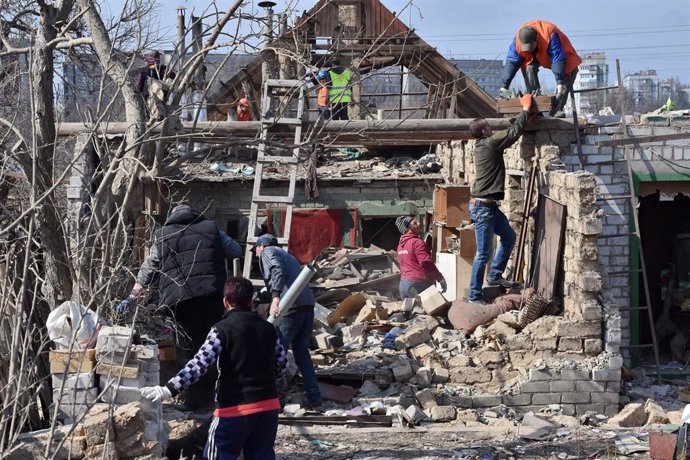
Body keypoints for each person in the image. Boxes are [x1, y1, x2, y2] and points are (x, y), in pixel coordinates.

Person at [140, 276, 288, 460]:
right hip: (267, 408)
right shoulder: (269, 329)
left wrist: (167, 389)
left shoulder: (221, 330)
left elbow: (199, 365)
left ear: (225, 302)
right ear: (251, 301)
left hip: (234, 410)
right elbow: (282, 366)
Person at [119, 204, 242, 409]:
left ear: (172, 217)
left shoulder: (163, 235)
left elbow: (149, 268)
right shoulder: (212, 228)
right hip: (213, 297)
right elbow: (236, 250)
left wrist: (132, 297)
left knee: (188, 351)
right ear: (194, 214)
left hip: (181, 301)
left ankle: (194, 403)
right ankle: (215, 399)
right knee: (213, 346)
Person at [466, 94, 534, 304]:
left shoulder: (484, 144)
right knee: (483, 253)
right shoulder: (489, 144)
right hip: (483, 209)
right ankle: (474, 295)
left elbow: (507, 132)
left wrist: (524, 119)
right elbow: (511, 134)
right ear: (484, 131)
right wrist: (525, 108)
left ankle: (495, 275)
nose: (491, 128)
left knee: (509, 237)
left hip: (489, 207)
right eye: (488, 126)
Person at [253, 234, 322, 409]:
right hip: (306, 307)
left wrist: (275, 298)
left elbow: (276, 271)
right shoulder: (289, 256)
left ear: (261, 246)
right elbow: (284, 280)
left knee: (276, 354)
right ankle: (315, 399)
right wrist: (260, 297)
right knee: (302, 354)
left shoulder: (268, 252)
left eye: (256, 250)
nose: (255, 255)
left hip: (290, 307)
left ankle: (276, 400)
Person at [499, 20, 581, 117]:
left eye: (530, 46)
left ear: (536, 39)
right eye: (526, 47)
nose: (528, 49)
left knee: (568, 75)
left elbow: (557, 59)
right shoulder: (517, 41)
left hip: (563, 54)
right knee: (529, 68)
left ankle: (557, 108)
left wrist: (560, 86)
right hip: (536, 56)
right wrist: (504, 86)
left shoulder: (549, 34)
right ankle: (535, 108)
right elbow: (512, 62)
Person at [396, 216, 447, 299]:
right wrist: (440, 278)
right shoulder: (417, 243)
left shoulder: (400, 246)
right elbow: (425, 263)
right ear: (408, 229)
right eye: (415, 223)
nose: (419, 224)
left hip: (403, 286)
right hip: (418, 285)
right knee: (434, 310)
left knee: (410, 311)